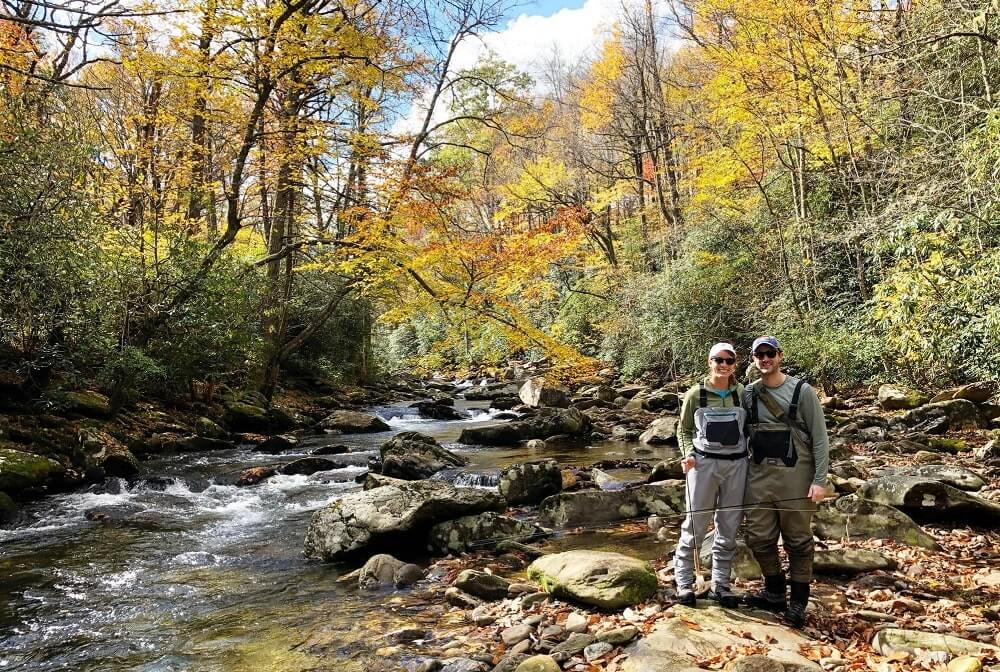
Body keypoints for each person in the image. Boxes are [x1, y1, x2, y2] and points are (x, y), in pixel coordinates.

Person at [741, 336, 829, 627]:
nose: (765, 359)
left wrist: (819, 480)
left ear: (779, 355)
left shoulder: (803, 392)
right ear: (753, 359)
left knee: (799, 542)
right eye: (759, 355)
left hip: (797, 478)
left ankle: (799, 602)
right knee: (758, 537)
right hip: (759, 478)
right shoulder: (749, 394)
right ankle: (775, 590)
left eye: (769, 354)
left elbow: (819, 439)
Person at [674, 342, 748, 608]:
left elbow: (751, 429)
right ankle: (683, 583)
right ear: (710, 362)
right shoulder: (696, 394)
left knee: (728, 528)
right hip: (703, 466)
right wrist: (688, 454)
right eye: (719, 360)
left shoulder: (742, 393)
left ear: (734, 364)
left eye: (729, 361)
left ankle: (721, 585)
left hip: (737, 466)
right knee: (694, 525)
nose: (724, 365)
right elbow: (683, 430)